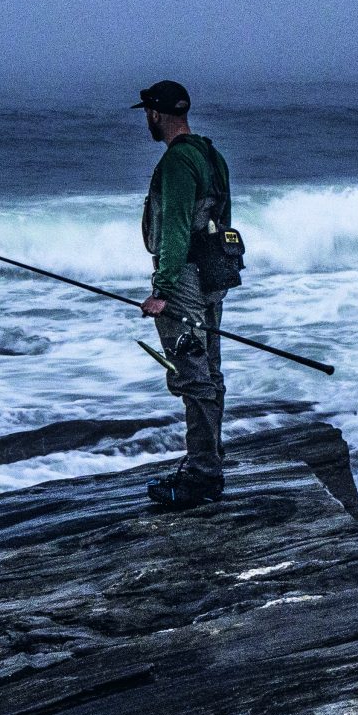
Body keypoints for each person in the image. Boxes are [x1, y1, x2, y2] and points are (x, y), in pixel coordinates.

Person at [133, 79, 234, 508]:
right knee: (209, 371)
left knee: (193, 373)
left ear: (155, 114)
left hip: (186, 279)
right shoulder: (212, 155)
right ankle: (210, 460)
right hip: (214, 274)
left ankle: (201, 475)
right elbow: (222, 218)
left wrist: (162, 290)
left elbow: (174, 229)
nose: (147, 122)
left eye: (147, 115)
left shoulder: (177, 162)